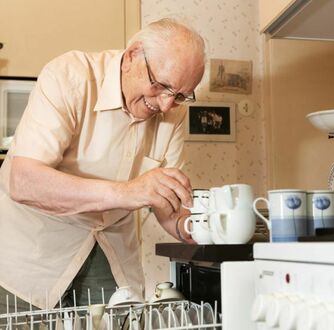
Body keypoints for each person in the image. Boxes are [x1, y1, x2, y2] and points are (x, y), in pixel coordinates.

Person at [0, 18, 205, 313]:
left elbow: (168, 209)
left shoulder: (173, 113)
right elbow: (23, 182)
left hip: (111, 256)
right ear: (132, 56)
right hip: (29, 257)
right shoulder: (70, 76)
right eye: (160, 86)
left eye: (181, 95)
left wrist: (201, 228)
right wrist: (128, 192)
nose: (165, 105)